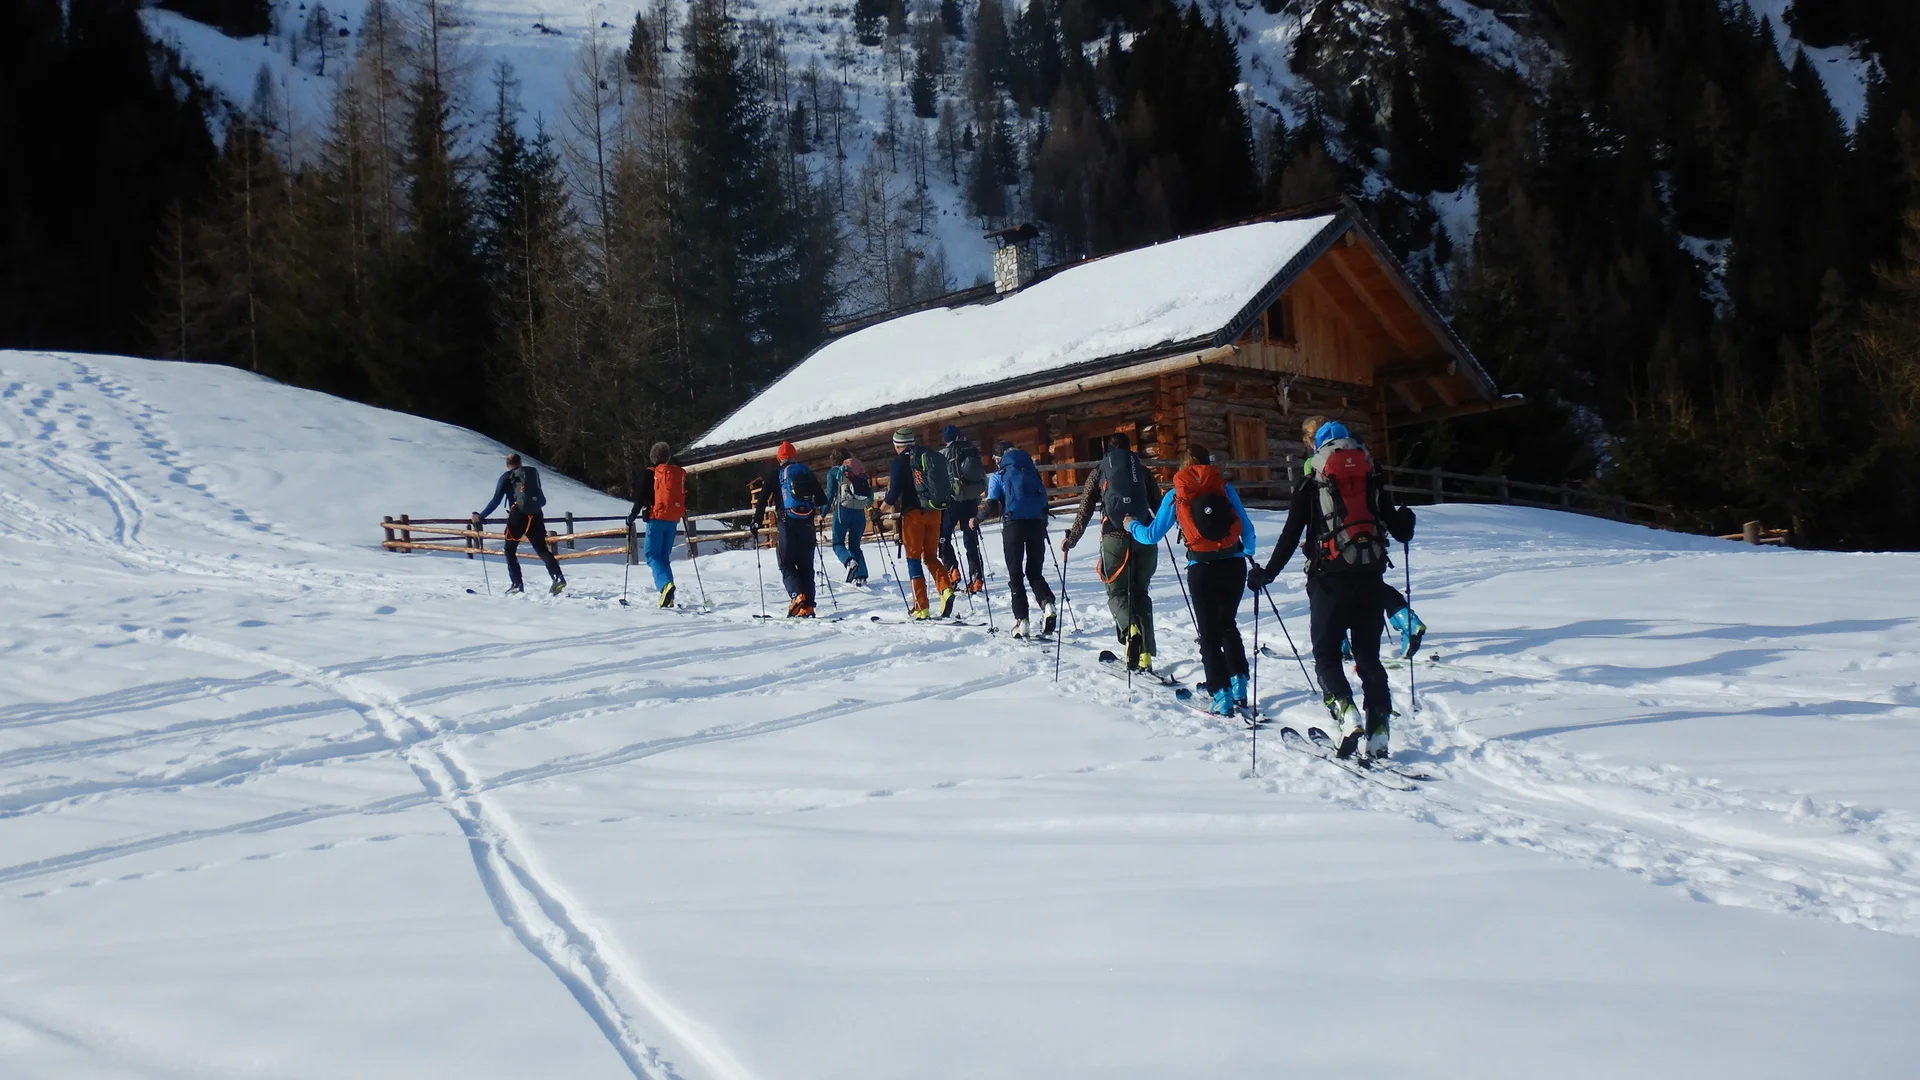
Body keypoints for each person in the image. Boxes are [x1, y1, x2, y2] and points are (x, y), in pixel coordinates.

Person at [1250, 421, 1416, 759]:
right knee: (1368, 657)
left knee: (1326, 655)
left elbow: (1289, 535)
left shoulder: (1313, 481)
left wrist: (1266, 574)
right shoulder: (1371, 477)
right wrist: (1406, 520)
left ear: (1318, 449)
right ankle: (1379, 728)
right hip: (1370, 577)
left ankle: (1346, 713)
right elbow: (1399, 531)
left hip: (1328, 580)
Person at [1125, 446, 1258, 716]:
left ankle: (1220, 693)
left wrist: (1130, 525)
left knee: (1209, 633)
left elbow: (1151, 535)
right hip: (1234, 564)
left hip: (1202, 567)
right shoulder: (1224, 488)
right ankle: (1238, 682)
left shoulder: (1177, 494)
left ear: (1184, 466)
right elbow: (1248, 529)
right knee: (1228, 624)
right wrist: (1246, 551)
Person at [1299, 415, 1426, 659]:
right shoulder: (1360, 455)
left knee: (1331, 586)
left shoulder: (1314, 463)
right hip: (1370, 529)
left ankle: (1340, 642)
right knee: (1369, 581)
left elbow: (1316, 510)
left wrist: (1313, 542)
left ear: (1310, 438)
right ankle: (1406, 619)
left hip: (1334, 538)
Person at [1062, 432, 1162, 672]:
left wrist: (1072, 538)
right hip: (1144, 535)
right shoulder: (1141, 470)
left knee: (1117, 593)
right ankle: (1146, 654)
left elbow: (1085, 507)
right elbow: (1158, 503)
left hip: (1114, 537)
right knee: (1141, 594)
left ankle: (1131, 631)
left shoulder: (1099, 471)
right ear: (1130, 449)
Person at [983, 440, 1057, 638]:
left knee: (1016, 576)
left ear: (998, 458)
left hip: (1013, 526)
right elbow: (1042, 499)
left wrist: (976, 520)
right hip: (1035, 525)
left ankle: (1022, 621)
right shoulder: (1031, 470)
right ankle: (1048, 605)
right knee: (1035, 573)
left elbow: (991, 504)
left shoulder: (998, 476)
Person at [885, 427, 958, 619]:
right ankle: (945, 589)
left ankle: (921, 607)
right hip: (935, 512)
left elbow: (893, 495)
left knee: (914, 559)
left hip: (913, 515)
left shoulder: (899, 463)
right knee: (931, 557)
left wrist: (879, 511)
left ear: (897, 445)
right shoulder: (928, 456)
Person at [477, 452, 565, 596]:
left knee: (510, 550)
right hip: (536, 515)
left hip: (517, 516)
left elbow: (496, 500)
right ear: (520, 462)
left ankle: (517, 584)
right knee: (542, 549)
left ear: (507, 464)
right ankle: (558, 577)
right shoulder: (531, 475)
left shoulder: (507, 477)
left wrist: (480, 516)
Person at [752, 442, 823, 617]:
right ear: (794, 456)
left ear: (779, 458)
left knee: (786, 563)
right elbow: (822, 498)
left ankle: (797, 596)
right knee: (806, 566)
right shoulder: (805, 472)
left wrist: (756, 522)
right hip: (807, 523)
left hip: (786, 523)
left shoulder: (775, 475)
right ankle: (809, 606)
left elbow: (762, 500)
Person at [627, 442, 687, 607]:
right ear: (668, 456)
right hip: (673, 520)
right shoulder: (674, 474)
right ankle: (668, 595)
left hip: (656, 518)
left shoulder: (650, 473)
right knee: (663, 557)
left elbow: (640, 497)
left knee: (652, 555)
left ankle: (665, 586)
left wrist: (632, 516)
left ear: (653, 456)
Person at [939, 424, 989, 593]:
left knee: (943, 536)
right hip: (971, 501)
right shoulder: (971, 450)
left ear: (945, 439)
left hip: (952, 502)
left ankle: (952, 570)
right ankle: (976, 578)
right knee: (970, 539)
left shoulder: (943, 454)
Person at [824, 448, 872, 585]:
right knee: (855, 545)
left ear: (833, 459)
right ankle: (861, 575)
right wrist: (870, 508)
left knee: (838, 543)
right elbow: (868, 494)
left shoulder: (833, 473)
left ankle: (849, 562)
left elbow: (830, 495)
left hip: (842, 512)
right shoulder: (857, 471)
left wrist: (822, 513)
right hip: (859, 512)